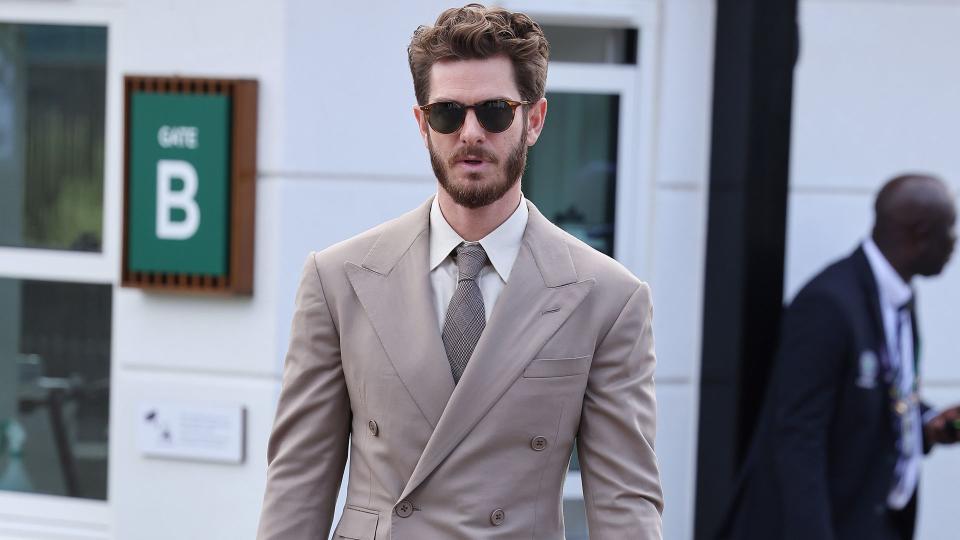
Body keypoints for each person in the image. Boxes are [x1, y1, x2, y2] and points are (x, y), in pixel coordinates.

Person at [256, 4, 663, 539]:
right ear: (423, 124)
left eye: (495, 111)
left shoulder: (608, 298)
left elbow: (624, 504)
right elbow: (298, 485)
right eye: (448, 113)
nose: (471, 133)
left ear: (534, 119)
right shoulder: (338, 280)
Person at [719, 174, 960, 540]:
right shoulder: (828, 304)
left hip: (878, 523)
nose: (954, 243)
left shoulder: (896, 297)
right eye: (950, 230)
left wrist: (926, 422)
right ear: (920, 233)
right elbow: (797, 436)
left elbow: (883, 390)